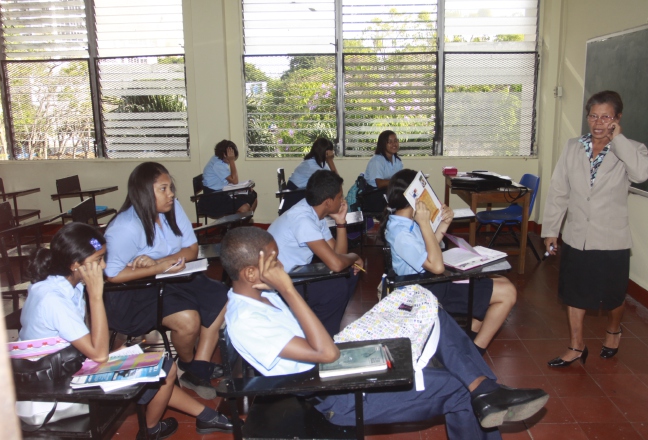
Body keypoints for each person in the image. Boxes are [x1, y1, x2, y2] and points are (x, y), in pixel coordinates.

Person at [220, 227, 549, 439]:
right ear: (251, 272)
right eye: (275, 262)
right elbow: (326, 356)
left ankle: (485, 388)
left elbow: (319, 346)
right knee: (456, 389)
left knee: (423, 303)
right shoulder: (248, 320)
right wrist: (289, 290)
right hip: (336, 393)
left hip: (335, 366)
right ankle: (481, 391)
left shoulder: (259, 295)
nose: (282, 268)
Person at [19, 223, 232, 439]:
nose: (103, 266)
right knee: (164, 369)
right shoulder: (54, 299)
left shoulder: (62, 285)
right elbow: (99, 353)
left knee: (150, 364)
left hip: (63, 368)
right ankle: (150, 431)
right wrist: (95, 295)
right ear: (75, 265)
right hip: (52, 394)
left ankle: (206, 416)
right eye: (97, 260)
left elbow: (87, 343)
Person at [542, 90, 648, 367]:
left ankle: (614, 330)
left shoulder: (632, 148)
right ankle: (576, 346)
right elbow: (559, 190)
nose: (598, 122)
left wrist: (618, 139)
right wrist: (551, 230)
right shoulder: (572, 147)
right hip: (577, 235)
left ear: (617, 119)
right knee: (574, 293)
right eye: (593, 115)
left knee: (613, 297)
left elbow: (641, 174)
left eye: (606, 116)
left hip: (611, 238)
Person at [104, 162, 227, 399]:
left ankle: (197, 367)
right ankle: (187, 362)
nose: (171, 194)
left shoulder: (172, 208)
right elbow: (113, 275)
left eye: (170, 187)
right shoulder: (125, 227)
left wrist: (161, 263)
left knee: (220, 295)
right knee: (188, 321)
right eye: (163, 189)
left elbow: (191, 248)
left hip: (170, 276)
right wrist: (157, 267)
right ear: (144, 192)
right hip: (134, 292)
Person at [382, 169, 517, 355]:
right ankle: (476, 351)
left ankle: (469, 341)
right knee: (508, 293)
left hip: (429, 281)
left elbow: (428, 250)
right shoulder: (402, 233)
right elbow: (436, 267)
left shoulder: (403, 221)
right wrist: (425, 224)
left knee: (502, 282)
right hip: (425, 288)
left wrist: (444, 223)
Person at [268, 170, 362, 336]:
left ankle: (320, 327)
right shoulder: (303, 219)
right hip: (277, 286)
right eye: (339, 196)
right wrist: (355, 257)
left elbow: (338, 255)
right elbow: (336, 263)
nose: (342, 200)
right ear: (327, 201)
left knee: (350, 273)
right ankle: (321, 337)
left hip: (293, 275)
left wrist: (340, 223)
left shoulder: (314, 211)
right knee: (336, 288)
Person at [200, 139, 258, 217]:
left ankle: (241, 225)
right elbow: (234, 181)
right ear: (224, 155)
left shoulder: (219, 159)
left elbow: (230, 181)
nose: (232, 158)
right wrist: (232, 161)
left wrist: (244, 188)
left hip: (222, 192)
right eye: (231, 156)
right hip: (213, 198)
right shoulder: (217, 164)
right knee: (245, 208)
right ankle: (235, 227)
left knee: (253, 196)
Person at [281, 137, 339, 213]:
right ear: (325, 152)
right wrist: (330, 160)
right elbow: (335, 181)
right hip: (295, 198)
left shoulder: (319, 162)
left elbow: (335, 180)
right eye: (331, 151)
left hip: (302, 194)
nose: (333, 153)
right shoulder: (310, 165)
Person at [361, 130, 404, 212]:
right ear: (383, 144)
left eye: (395, 141)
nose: (394, 144)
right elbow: (380, 184)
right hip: (375, 194)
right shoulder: (377, 161)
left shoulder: (397, 160)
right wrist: (398, 181)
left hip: (389, 192)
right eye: (390, 142)